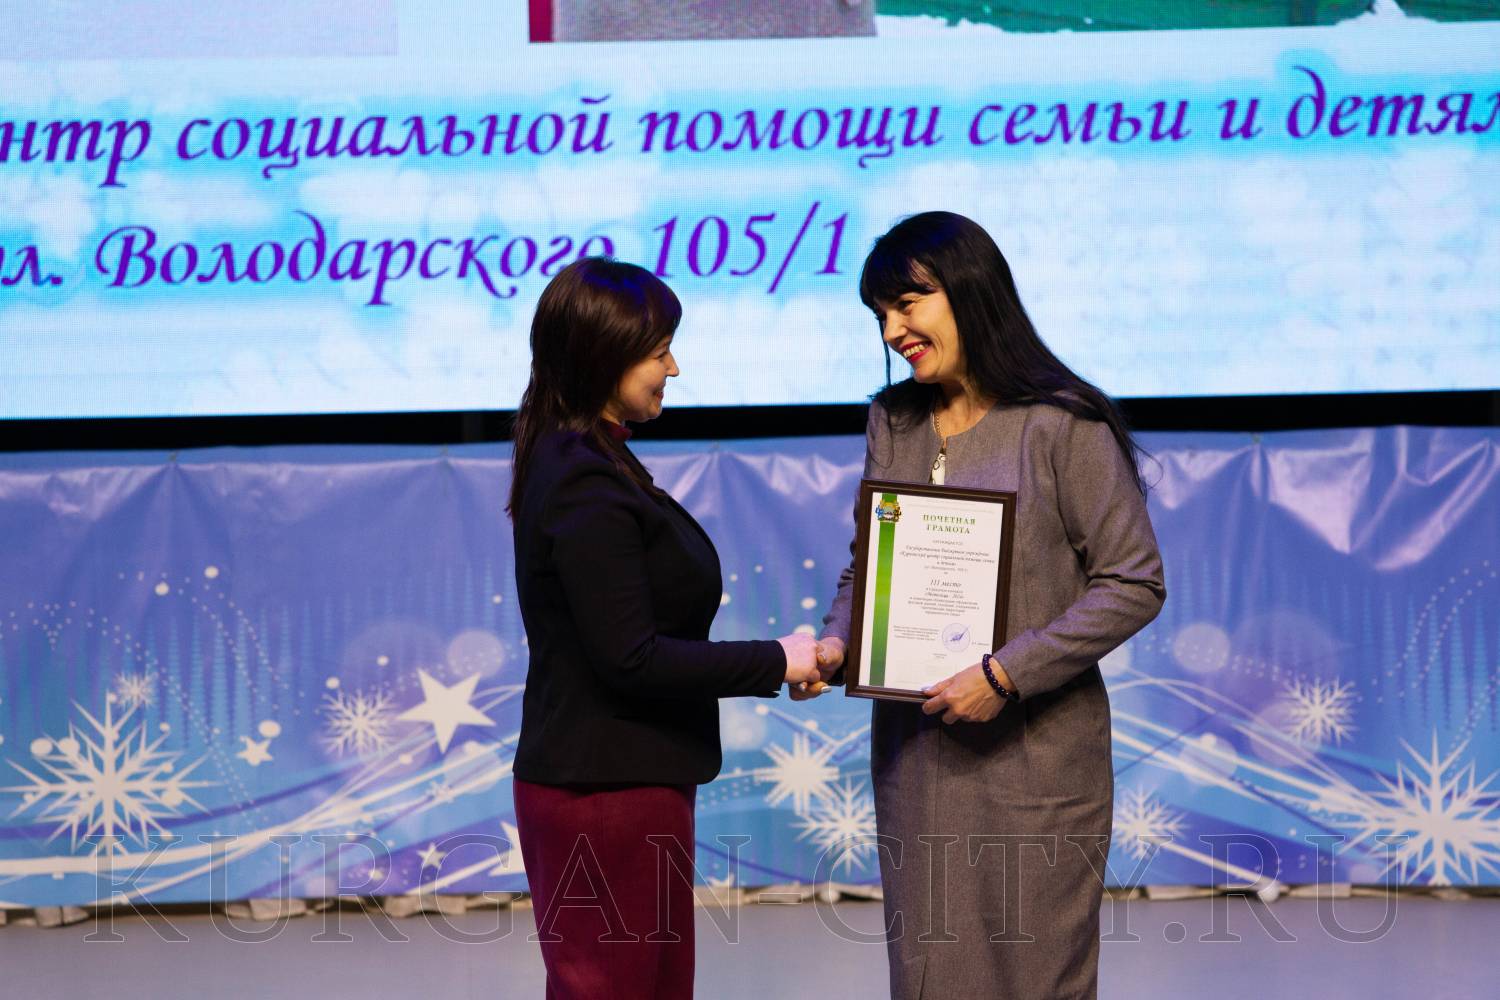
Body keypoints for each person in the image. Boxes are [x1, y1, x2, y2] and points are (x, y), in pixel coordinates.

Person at [815, 212, 1166, 999]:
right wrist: (839, 643)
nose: (893, 331)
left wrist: (1006, 675)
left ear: (970, 290)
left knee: (1036, 978)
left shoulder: (1063, 423)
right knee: (929, 977)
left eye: (908, 304)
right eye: (880, 315)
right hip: (917, 760)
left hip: (1036, 762)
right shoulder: (893, 420)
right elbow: (868, 567)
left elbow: (1134, 581)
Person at [507, 257, 824, 1000]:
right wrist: (778, 659)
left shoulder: (588, 457)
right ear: (604, 356)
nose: (673, 369)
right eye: (658, 352)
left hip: (623, 784)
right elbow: (632, 659)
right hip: (605, 795)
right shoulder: (584, 476)